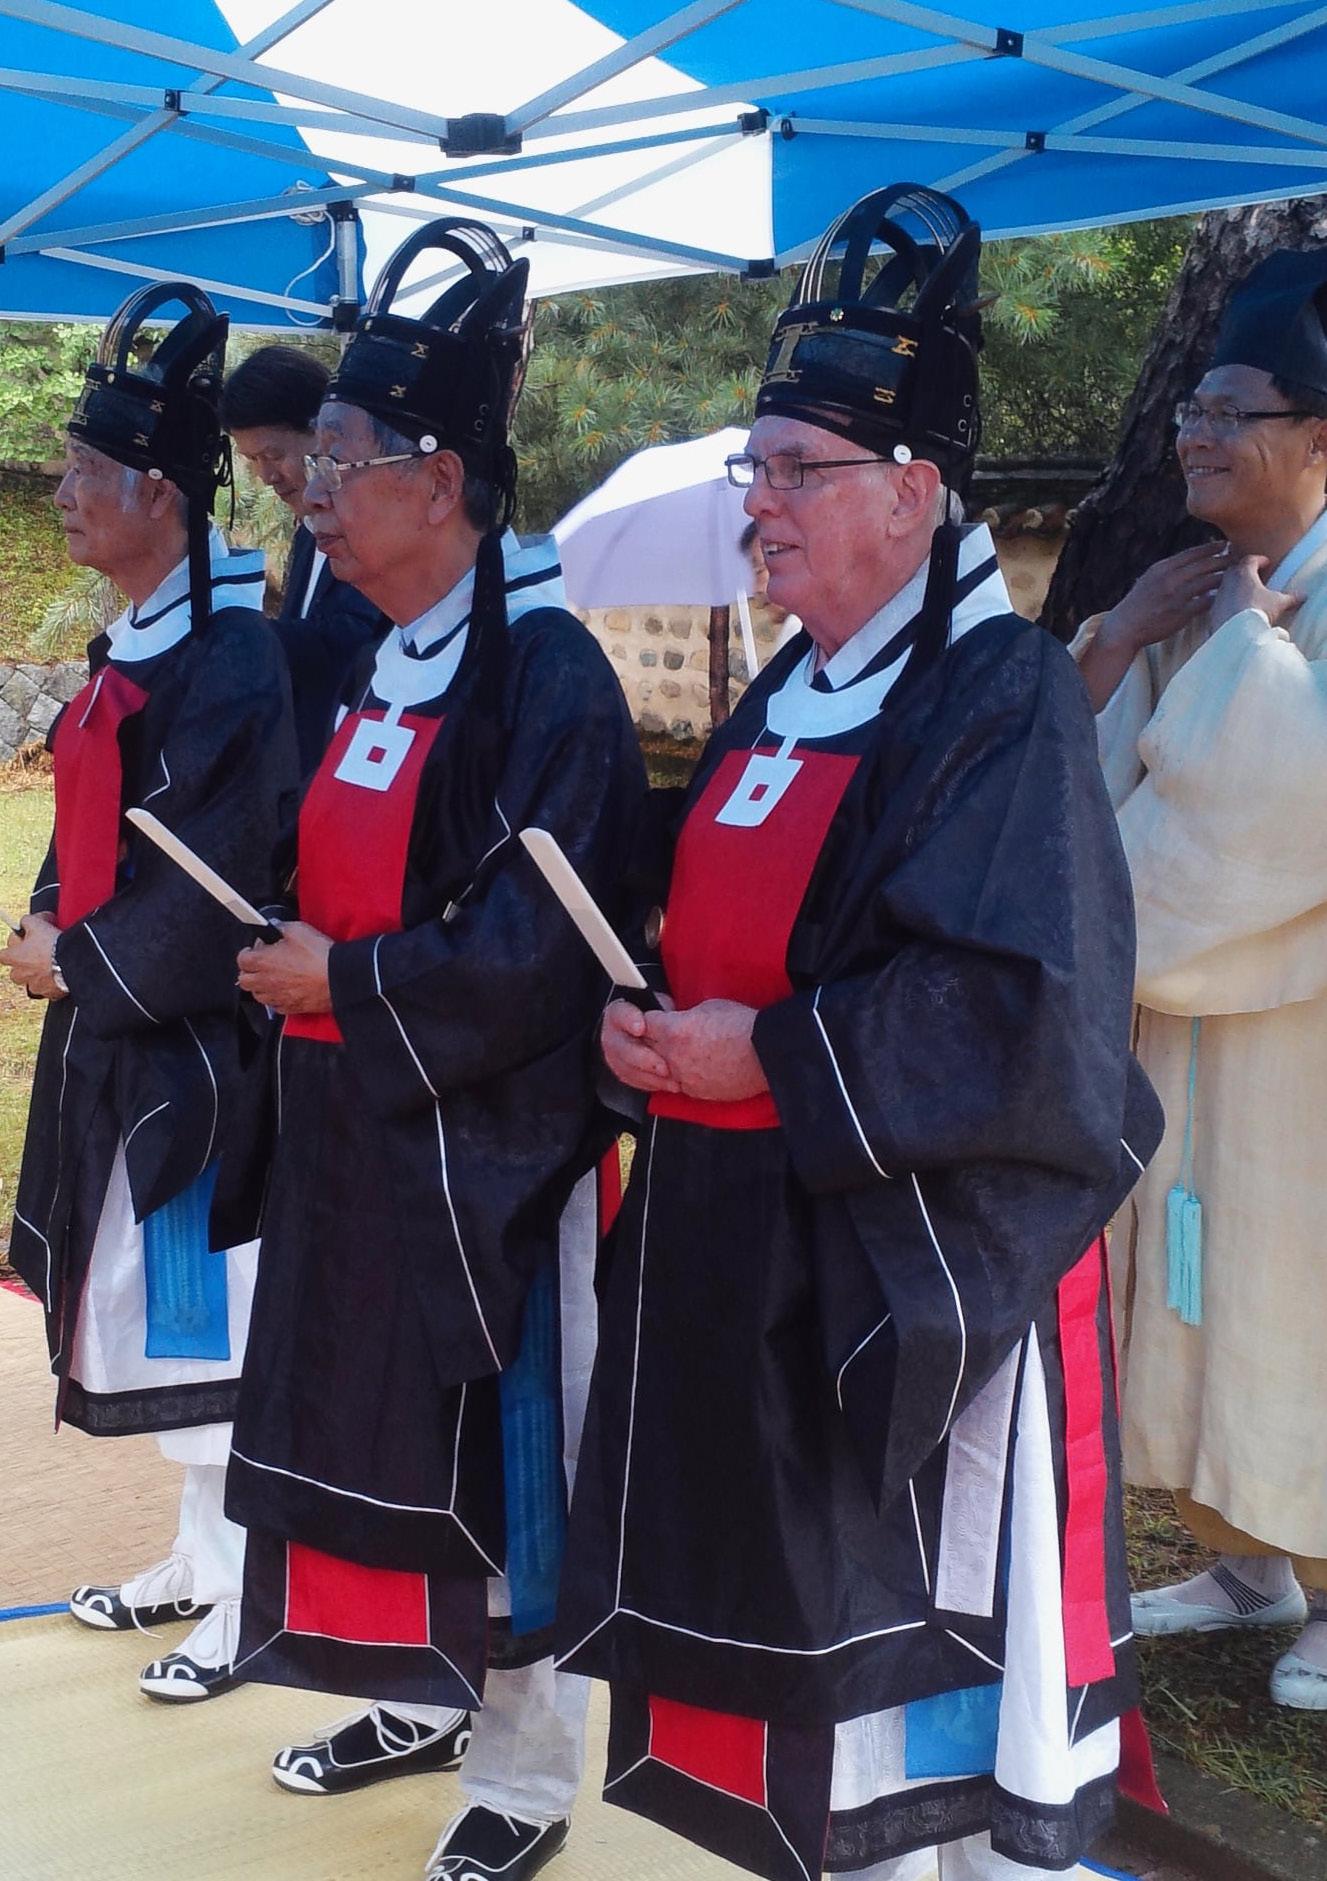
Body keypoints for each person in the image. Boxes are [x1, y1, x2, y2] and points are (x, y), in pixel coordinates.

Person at [557, 185, 1163, 1881]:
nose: (756, 506)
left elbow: (1026, 1004)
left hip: (894, 1265)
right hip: (734, 1239)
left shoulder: (997, 692)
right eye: (751, 473)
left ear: (912, 492)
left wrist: (770, 1056)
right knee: (787, 1665)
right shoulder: (783, 688)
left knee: (905, 1688)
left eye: (793, 471)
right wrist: (653, 1015)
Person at [220, 218, 646, 1881]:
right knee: (372, 1433)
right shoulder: (378, 654)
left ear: (443, 478)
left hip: (487, 1151)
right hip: (354, 1118)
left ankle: (526, 1772)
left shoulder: (547, 676)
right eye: (311, 460)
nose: (312, 492)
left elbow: (542, 942)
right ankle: (410, 1688)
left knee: (503, 1456)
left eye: (340, 459)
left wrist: (348, 977)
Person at [0, 283, 297, 1703]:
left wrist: (79, 959)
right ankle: (196, 1550)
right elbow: (98, 817)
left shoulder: (237, 659)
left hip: (202, 1055)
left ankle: (248, 1590)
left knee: (209, 1314)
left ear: (162, 496)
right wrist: (47, 907)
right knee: (154, 1308)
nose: (62, 494)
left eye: (85, 473)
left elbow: (218, 869)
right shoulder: (134, 642)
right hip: (123, 1034)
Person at [1073, 249, 1327, 1712]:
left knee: (1295, 1284)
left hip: (1299, 1030)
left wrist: (1238, 643)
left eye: (1232, 411)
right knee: (1194, 1276)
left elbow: (1280, 802)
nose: (1194, 433)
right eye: (1192, 407)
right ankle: (1247, 1560)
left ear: (1316, 436)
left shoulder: (1264, 601)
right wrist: (1133, 637)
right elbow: (1089, 787)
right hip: (1193, 1015)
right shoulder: (1204, 587)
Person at [221, 344, 386, 774]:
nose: (267, 476)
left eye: (274, 455)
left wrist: (244, 636)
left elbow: (351, 646)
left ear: (321, 433)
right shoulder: (307, 535)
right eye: (253, 461)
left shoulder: (369, 532)